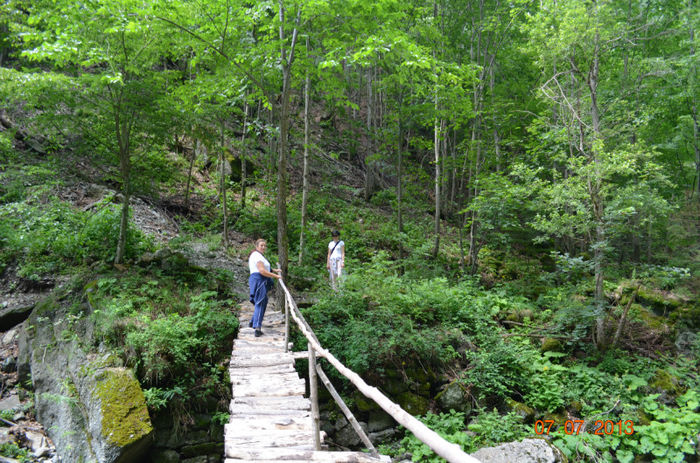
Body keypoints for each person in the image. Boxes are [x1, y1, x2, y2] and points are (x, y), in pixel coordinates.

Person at [248, 238, 281, 337]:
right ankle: (257, 329)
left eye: (264, 245)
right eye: (261, 245)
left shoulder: (259, 256)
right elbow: (262, 271)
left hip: (259, 280)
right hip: (259, 280)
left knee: (263, 301)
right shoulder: (257, 256)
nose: (263, 247)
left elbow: (266, 267)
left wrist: (275, 270)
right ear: (257, 246)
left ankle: (252, 322)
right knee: (260, 303)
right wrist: (276, 276)